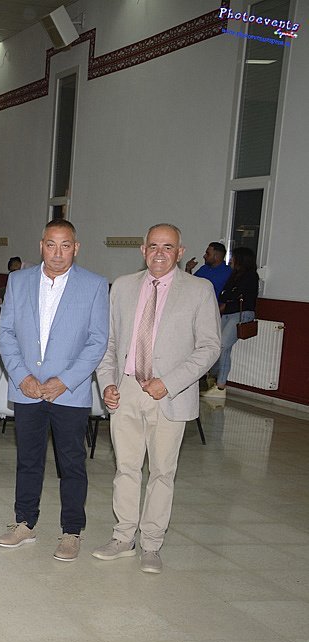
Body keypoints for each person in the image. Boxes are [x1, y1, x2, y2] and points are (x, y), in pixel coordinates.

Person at [93, 224, 219, 573]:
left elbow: (210, 347)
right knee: (125, 468)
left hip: (169, 392)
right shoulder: (122, 286)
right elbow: (108, 343)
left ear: (180, 252)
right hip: (127, 389)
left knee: (162, 472)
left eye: (168, 247)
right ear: (143, 250)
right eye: (153, 246)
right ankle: (123, 537)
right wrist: (107, 383)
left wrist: (170, 382)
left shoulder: (199, 290)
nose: (159, 253)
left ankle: (151, 544)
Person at [0, 219, 108, 560]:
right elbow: (6, 333)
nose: (58, 253)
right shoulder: (19, 281)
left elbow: (97, 341)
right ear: (41, 245)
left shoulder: (94, 285)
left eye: (65, 245)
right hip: (27, 388)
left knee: (71, 463)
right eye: (51, 245)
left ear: (76, 247)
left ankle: (72, 531)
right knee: (28, 460)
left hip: (69, 392)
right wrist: (22, 377)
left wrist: (65, 380)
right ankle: (24, 523)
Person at [204, 246, 259, 399]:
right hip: (228, 313)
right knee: (216, 345)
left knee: (223, 347)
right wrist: (229, 295)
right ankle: (213, 378)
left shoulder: (251, 276)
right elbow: (225, 294)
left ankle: (220, 386)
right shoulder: (234, 274)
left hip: (241, 314)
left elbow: (235, 294)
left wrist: (229, 295)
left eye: (233, 257)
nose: (231, 260)